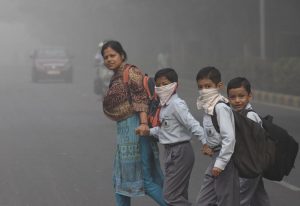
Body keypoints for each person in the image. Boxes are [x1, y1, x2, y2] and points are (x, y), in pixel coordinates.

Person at [101, 40, 166, 206]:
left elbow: (140, 98)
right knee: (119, 180)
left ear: (122, 55)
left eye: (112, 55)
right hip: (124, 133)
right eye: (106, 56)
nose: (109, 59)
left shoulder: (131, 72)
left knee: (145, 179)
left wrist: (144, 123)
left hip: (137, 128)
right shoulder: (116, 76)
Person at [139, 68, 208, 206]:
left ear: (175, 85)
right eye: (158, 85)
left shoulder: (177, 104)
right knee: (179, 194)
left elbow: (192, 123)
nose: (160, 88)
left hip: (180, 151)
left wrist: (206, 142)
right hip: (171, 151)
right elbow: (165, 130)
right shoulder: (164, 106)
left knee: (170, 196)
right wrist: (149, 132)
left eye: (165, 84)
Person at [195, 66, 239, 206]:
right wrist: (208, 145)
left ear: (218, 86)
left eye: (208, 86)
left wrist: (220, 164)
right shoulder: (208, 107)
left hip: (225, 159)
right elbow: (214, 133)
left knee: (226, 200)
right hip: (215, 155)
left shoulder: (220, 108)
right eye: (200, 87)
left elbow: (229, 138)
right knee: (204, 201)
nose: (204, 90)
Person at [227, 77, 271, 206]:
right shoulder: (239, 115)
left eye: (241, 96)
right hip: (252, 165)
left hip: (249, 165)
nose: (237, 100)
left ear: (249, 96)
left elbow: (254, 143)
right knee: (259, 198)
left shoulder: (250, 116)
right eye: (233, 97)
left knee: (239, 199)